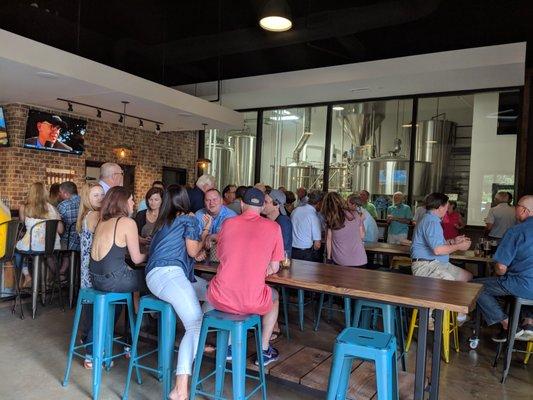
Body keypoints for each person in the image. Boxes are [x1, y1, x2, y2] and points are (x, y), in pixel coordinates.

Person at [145, 185, 212, 400]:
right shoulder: (188, 219)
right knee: (195, 323)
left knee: (212, 292)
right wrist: (205, 231)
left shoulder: (161, 222)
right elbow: (193, 251)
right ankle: (180, 389)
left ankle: (201, 343)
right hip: (170, 275)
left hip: (154, 277)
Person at [207, 188, 283, 367]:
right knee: (275, 297)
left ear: (242, 204)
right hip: (250, 300)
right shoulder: (274, 227)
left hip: (220, 296)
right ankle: (264, 350)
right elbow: (274, 267)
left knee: (232, 296)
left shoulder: (228, 223)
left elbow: (221, 255)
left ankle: (230, 347)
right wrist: (258, 269)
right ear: (262, 206)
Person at [475, 195, 533, 342]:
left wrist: (498, 271)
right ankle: (529, 323)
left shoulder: (516, 231)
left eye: (517, 207)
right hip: (528, 288)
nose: (515, 210)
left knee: (475, 287)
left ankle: (509, 325)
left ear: (525, 210)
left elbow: (501, 267)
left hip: (521, 284)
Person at [76, 182, 105, 369]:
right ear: (87, 198)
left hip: (86, 271)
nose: (101, 198)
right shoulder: (95, 215)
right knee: (99, 311)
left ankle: (87, 341)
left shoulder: (85, 216)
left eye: (102, 194)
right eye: (96, 195)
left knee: (91, 309)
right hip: (95, 270)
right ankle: (92, 354)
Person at [15, 182, 63, 288]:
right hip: (51, 247)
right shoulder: (53, 209)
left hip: (32, 246)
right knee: (46, 255)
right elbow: (60, 230)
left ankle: (27, 276)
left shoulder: (24, 208)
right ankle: (55, 278)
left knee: (16, 251)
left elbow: (23, 225)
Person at [323, 192, 367, 267]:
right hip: (360, 259)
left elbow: (329, 239)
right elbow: (362, 236)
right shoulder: (355, 213)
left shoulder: (331, 219)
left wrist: (328, 258)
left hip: (340, 260)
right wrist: (361, 221)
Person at [195, 189, 237, 254]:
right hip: (201, 254)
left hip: (224, 255)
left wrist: (216, 236)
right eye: (208, 200)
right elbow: (194, 240)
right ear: (204, 202)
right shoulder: (199, 214)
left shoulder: (231, 216)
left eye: (215, 199)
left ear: (221, 201)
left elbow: (232, 241)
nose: (211, 203)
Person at [291, 190, 323, 262]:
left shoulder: (296, 210)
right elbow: (317, 244)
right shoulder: (313, 216)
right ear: (319, 203)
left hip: (292, 250)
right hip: (306, 253)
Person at [263, 189, 292, 257]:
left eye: (265, 202)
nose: (262, 204)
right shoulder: (265, 219)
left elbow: (282, 246)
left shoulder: (283, 222)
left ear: (276, 205)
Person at [58, 181, 81, 251]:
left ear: (65, 194)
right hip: (84, 241)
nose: (59, 195)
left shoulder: (63, 205)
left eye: (60, 192)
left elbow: (59, 228)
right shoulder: (86, 202)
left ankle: (64, 261)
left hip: (69, 242)